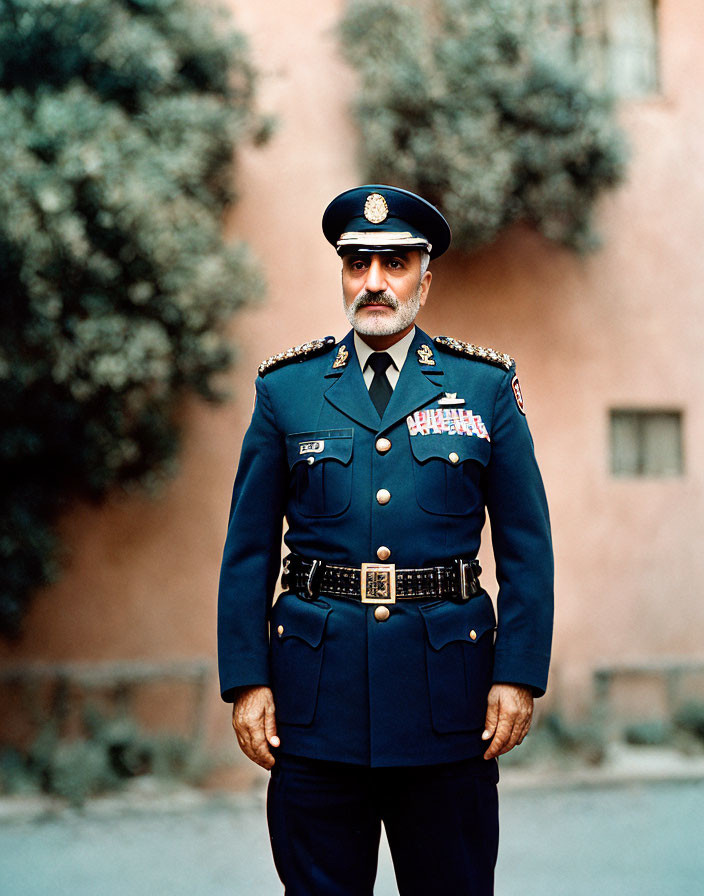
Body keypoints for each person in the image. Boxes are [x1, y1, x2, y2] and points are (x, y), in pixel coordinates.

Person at [217, 184, 553, 895]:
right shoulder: (289, 391)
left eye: (394, 263)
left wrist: (518, 675)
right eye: (357, 262)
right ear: (343, 271)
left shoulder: (484, 387)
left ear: (424, 279)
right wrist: (248, 682)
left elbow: (526, 547)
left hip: (447, 709)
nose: (374, 282)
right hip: (315, 709)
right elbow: (249, 550)